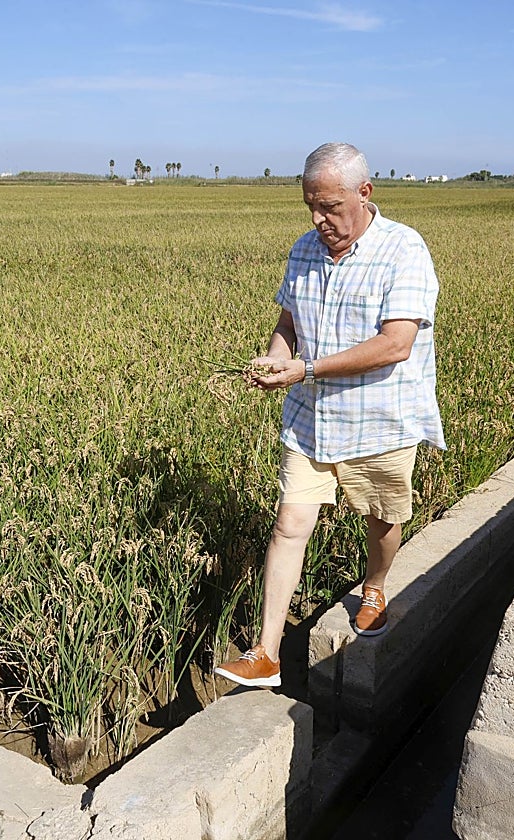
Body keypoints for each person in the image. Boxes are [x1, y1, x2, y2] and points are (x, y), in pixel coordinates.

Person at [214, 142, 445, 688]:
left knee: (383, 517)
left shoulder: (404, 250)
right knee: (289, 525)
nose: (319, 220)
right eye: (311, 207)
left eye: (330, 208)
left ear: (364, 193)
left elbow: (395, 345)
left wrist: (306, 369)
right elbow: (289, 321)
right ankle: (267, 651)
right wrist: (276, 357)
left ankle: (375, 587)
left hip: (379, 417)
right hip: (309, 418)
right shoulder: (304, 249)